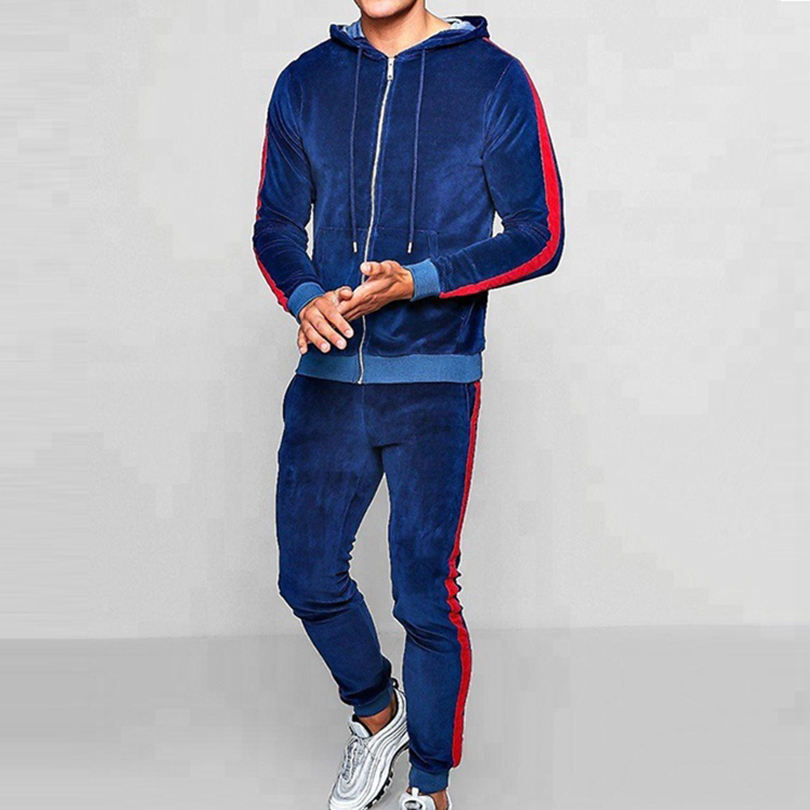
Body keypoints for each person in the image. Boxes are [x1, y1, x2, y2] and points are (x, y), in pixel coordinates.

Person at [252, 2, 564, 808]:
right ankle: (377, 716)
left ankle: (429, 786)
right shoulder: (305, 82)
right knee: (307, 578)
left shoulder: (493, 79)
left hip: (435, 382)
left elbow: (538, 234)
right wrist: (305, 294)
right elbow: (276, 224)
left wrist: (419, 281)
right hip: (327, 381)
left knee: (424, 593)